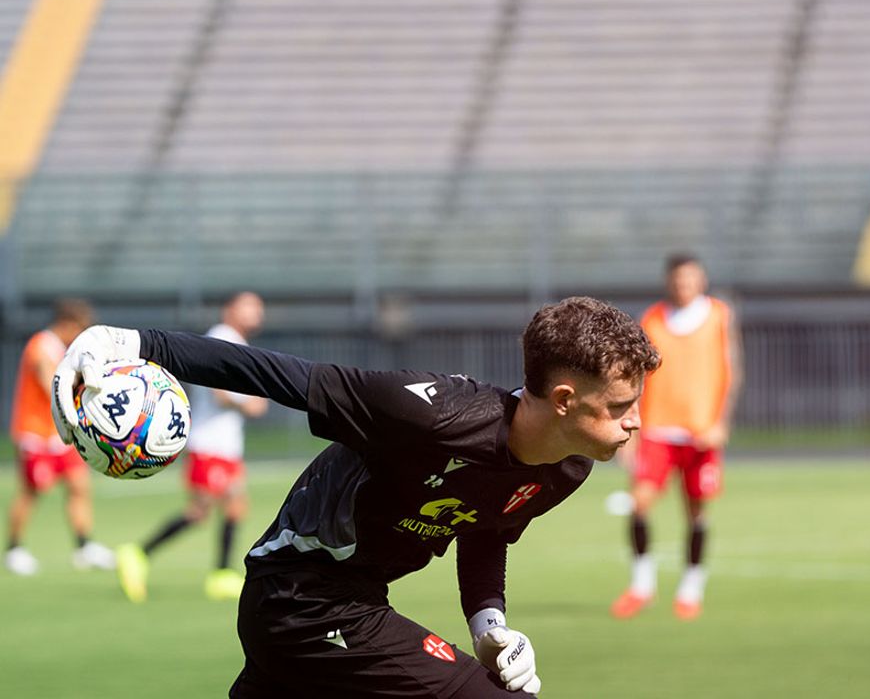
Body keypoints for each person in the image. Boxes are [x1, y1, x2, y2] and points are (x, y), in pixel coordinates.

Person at [51, 296, 660, 698]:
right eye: (619, 406)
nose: (635, 422)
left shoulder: (565, 468)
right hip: (301, 598)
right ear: (562, 400)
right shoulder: (431, 413)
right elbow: (275, 375)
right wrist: (133, 341)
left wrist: (488, 623)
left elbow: (487, 527)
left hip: (340, 605)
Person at [611, 253, 742, 621]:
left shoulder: (718, 316)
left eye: (690, 279)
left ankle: (691, 587)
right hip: (658, 429)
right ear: (670, 282)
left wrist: (721, 422)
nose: (684, 286)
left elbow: (732, 370)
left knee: (696, 512)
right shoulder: (652, 319)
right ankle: (641, 585)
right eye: (678, 280)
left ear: (701, 280)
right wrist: (631, 430)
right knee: (639, 504)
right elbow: (636, 379)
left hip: (701, 433)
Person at [116, 292, 267, 602]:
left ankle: (221, 574)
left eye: (259, 309)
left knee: (236, 506)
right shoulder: (221, 337)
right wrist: (248, 403)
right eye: (249, 307)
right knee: (199, 511)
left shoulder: (238, 341)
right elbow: (218, 392)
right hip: (209, 442)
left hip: (226, 444)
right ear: (230, 309)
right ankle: (137, 554)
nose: (256, 314)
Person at [5, 299, 115, 575]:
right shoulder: (42, 345)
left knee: (79, 487)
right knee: (31, 491)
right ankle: (14, 549)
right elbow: (48, 384)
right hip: (36, 433)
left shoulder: (64, 349)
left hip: (60, 434)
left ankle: (83, 546)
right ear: (67, 324)